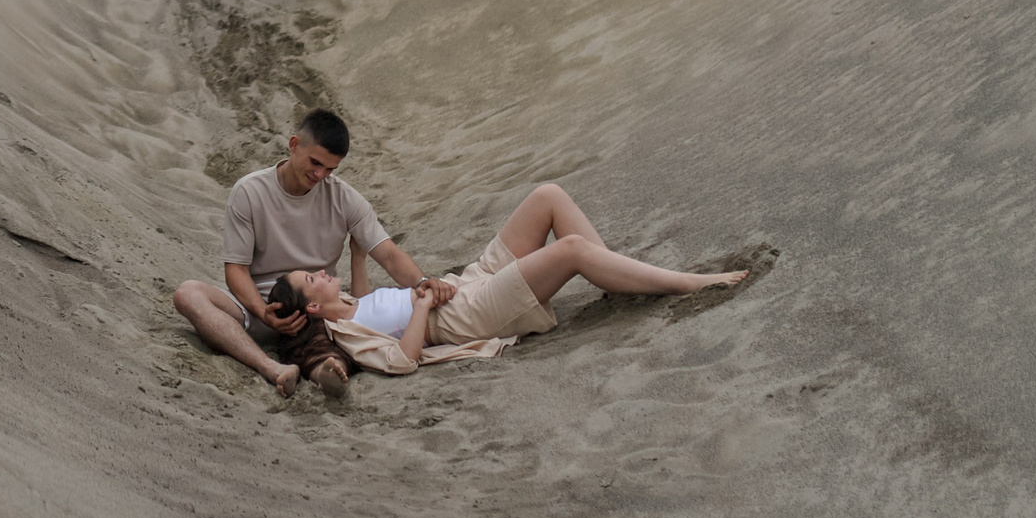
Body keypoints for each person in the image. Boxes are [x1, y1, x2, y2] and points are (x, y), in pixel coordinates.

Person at [281, 181, 748, 373]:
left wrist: (358, 255)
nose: (322, 272)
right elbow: (403, 360)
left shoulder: (352, 306)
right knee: (569, 250)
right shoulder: (347, 335)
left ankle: (615, 273)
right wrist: (421, 304)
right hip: (466, 313)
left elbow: (366, 300)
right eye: (312, 279)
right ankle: (685, 282)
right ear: (315, 307)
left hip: (467, 282)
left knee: (547, 195)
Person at [172, 109, 444, 399]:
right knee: (188, 293)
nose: (320, 175)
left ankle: (323, 371)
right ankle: (270, 367)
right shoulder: (249, 192)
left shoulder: (345, 198)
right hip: (260, 305)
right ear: (294, 145)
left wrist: (423, 281)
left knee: (326, 341)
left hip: (318, 311)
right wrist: (263, 311)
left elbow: (388, 253)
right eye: (315, 163)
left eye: (329, 169)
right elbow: (236, 269)